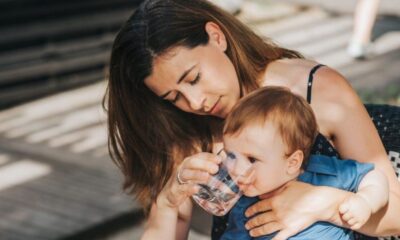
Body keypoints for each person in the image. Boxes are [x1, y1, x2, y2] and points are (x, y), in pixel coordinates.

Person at [104, 0, 400, 239]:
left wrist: (322, 204)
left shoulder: (314, 90)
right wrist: (169, 202)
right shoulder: (184, 125)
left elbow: (396, 217)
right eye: (173, 97)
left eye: (194, 78)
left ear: (216, 37)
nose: (195, 102)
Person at [220, 86, 389, 240]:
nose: (235, 169)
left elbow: (373, 176)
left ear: (292, 163)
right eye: (231, 155)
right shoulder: (245, 206)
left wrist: (366, 201)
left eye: (252, 159)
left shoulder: (324, 174)